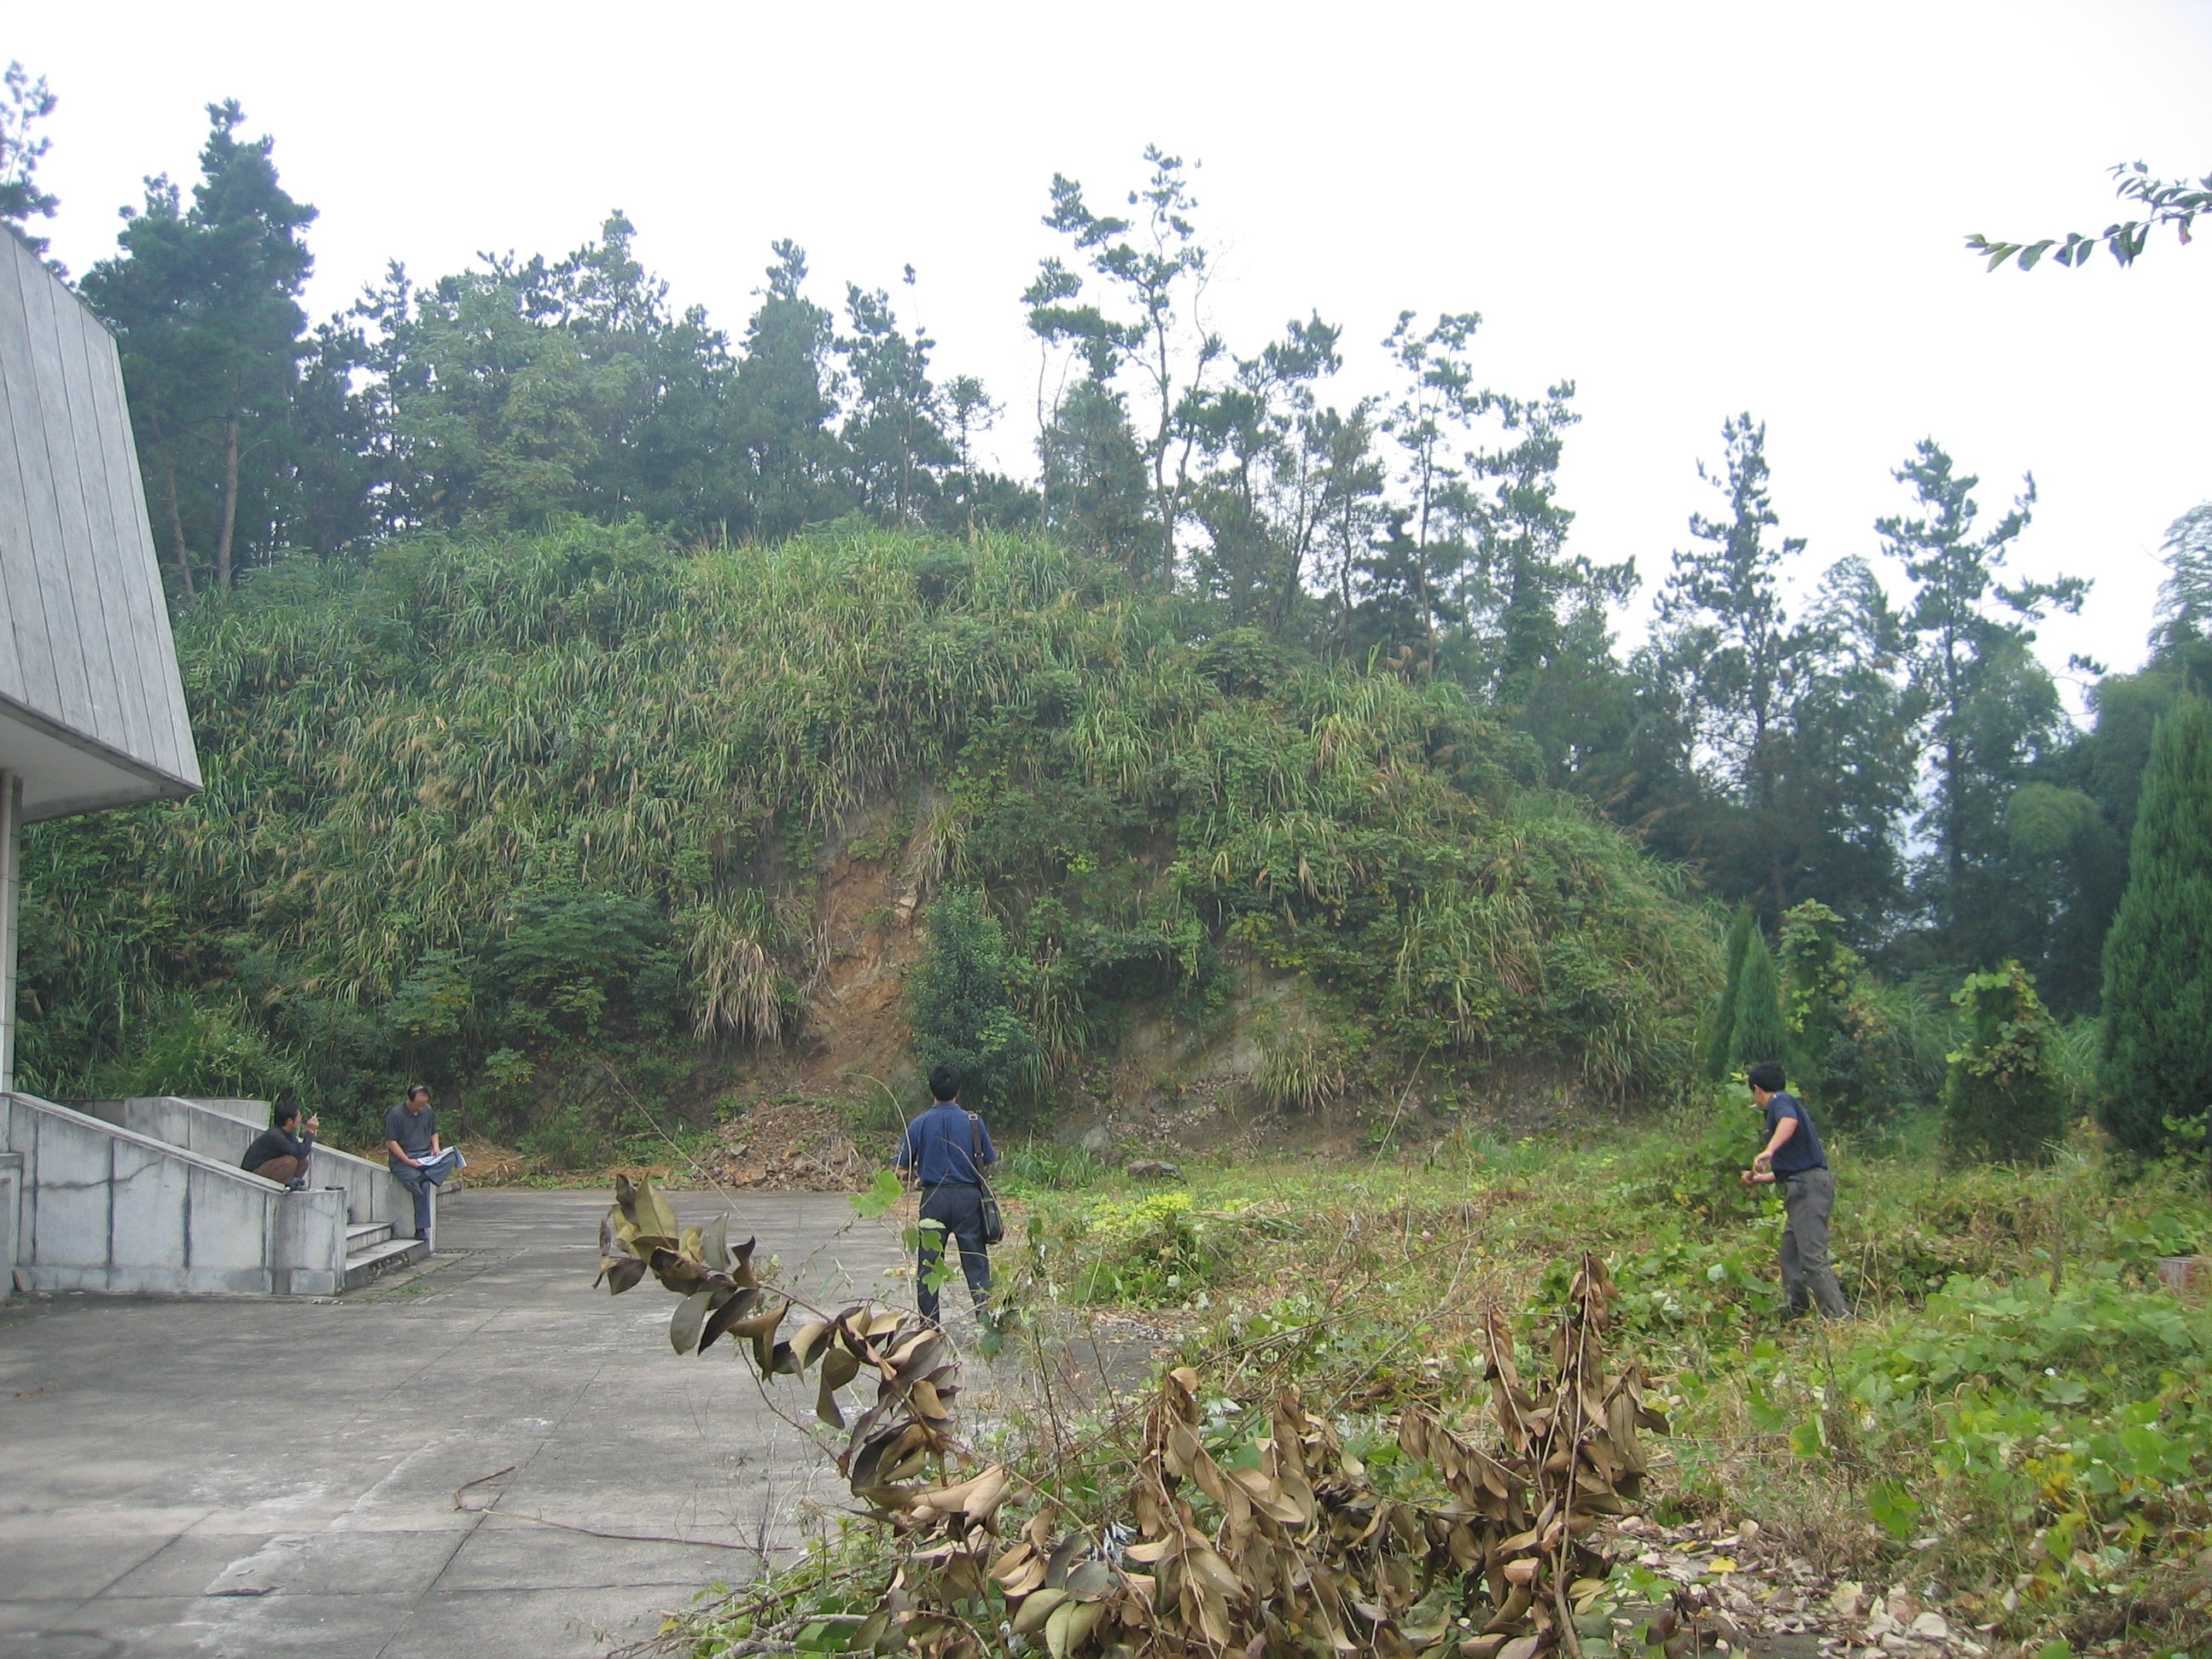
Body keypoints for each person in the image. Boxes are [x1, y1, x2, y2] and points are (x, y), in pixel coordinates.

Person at [1741, 1061, 1852, 1321]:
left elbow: (1789, 1122)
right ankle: (1796, 1309)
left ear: (1757, 1090)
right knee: (1789, 1255)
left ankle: (1842, 1320)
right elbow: (1794, 1165)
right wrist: (1761, 1178)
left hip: (1808, 1188)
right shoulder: (1785, 1103)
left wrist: (1769, 1150)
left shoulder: (1780, 1102)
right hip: (1802, 1185)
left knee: (1813, 1258)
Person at [894, 1064, 998, 1327]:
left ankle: (930, 1328)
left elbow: (901, 1168)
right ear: (958, 1091)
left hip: (934, 1199)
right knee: (976, 1265)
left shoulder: (919, 1124)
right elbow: (989, 1161)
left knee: (928, 1267)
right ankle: (986, 1324)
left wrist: (920, 1175)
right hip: (968, 1199)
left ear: (931, 1090)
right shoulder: (974, 1122)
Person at [386, 1083, 451, 1243]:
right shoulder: (396, 1114)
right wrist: (407, 1160)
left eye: (423, 1105)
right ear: (409, 1100)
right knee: (421, 1185)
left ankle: (422, 1177)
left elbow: (434, 1132)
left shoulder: (427, 1110)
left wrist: (436, 1148)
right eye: (417, 1105)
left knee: (452, 1157)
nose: (420, 1109)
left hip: (424, 1156)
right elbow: (392, 1142)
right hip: (403, 1158)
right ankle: (420, 1228)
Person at [241, 1099, 318, 1189]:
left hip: (268, 1167)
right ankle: (279, 1188)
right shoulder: (275, 1135)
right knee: (290, 1161)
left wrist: (309, 1134)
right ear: (289, 1121)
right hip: (253, 1172)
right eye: (299, 1117)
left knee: (303, 1162)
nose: (300, 1119)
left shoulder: (289, 1133)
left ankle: (292, 1186)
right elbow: (299, 1153)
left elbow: (300, 1152)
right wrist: (310, 1131)